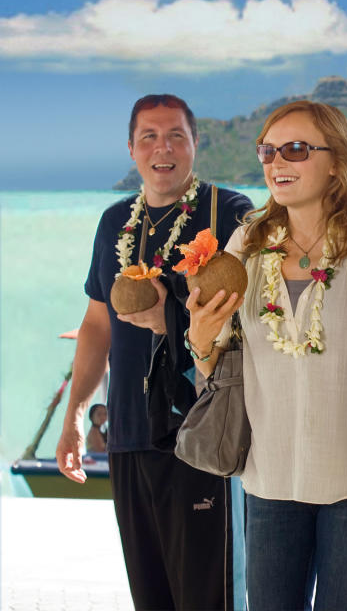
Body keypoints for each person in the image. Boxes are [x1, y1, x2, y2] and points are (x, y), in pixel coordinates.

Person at [186, 100, 347, 610]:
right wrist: (201, 338)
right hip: (269, 477)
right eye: (268, 151)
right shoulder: (246, 245)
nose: (278, 162)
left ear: (337, 161)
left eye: (296, 149)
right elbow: (217, 367)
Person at [55, 94, 252, 610]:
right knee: (151, 596)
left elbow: (250, 323)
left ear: (194, 144)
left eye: (175, 136)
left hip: (203, 434)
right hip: (128, 434)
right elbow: (97, 325)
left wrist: (172, 318)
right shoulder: (114, 221)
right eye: (149, 136)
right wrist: (75, 417)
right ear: (131, 148)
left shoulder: (229, 213)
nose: (162, 148)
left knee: (210, 598)